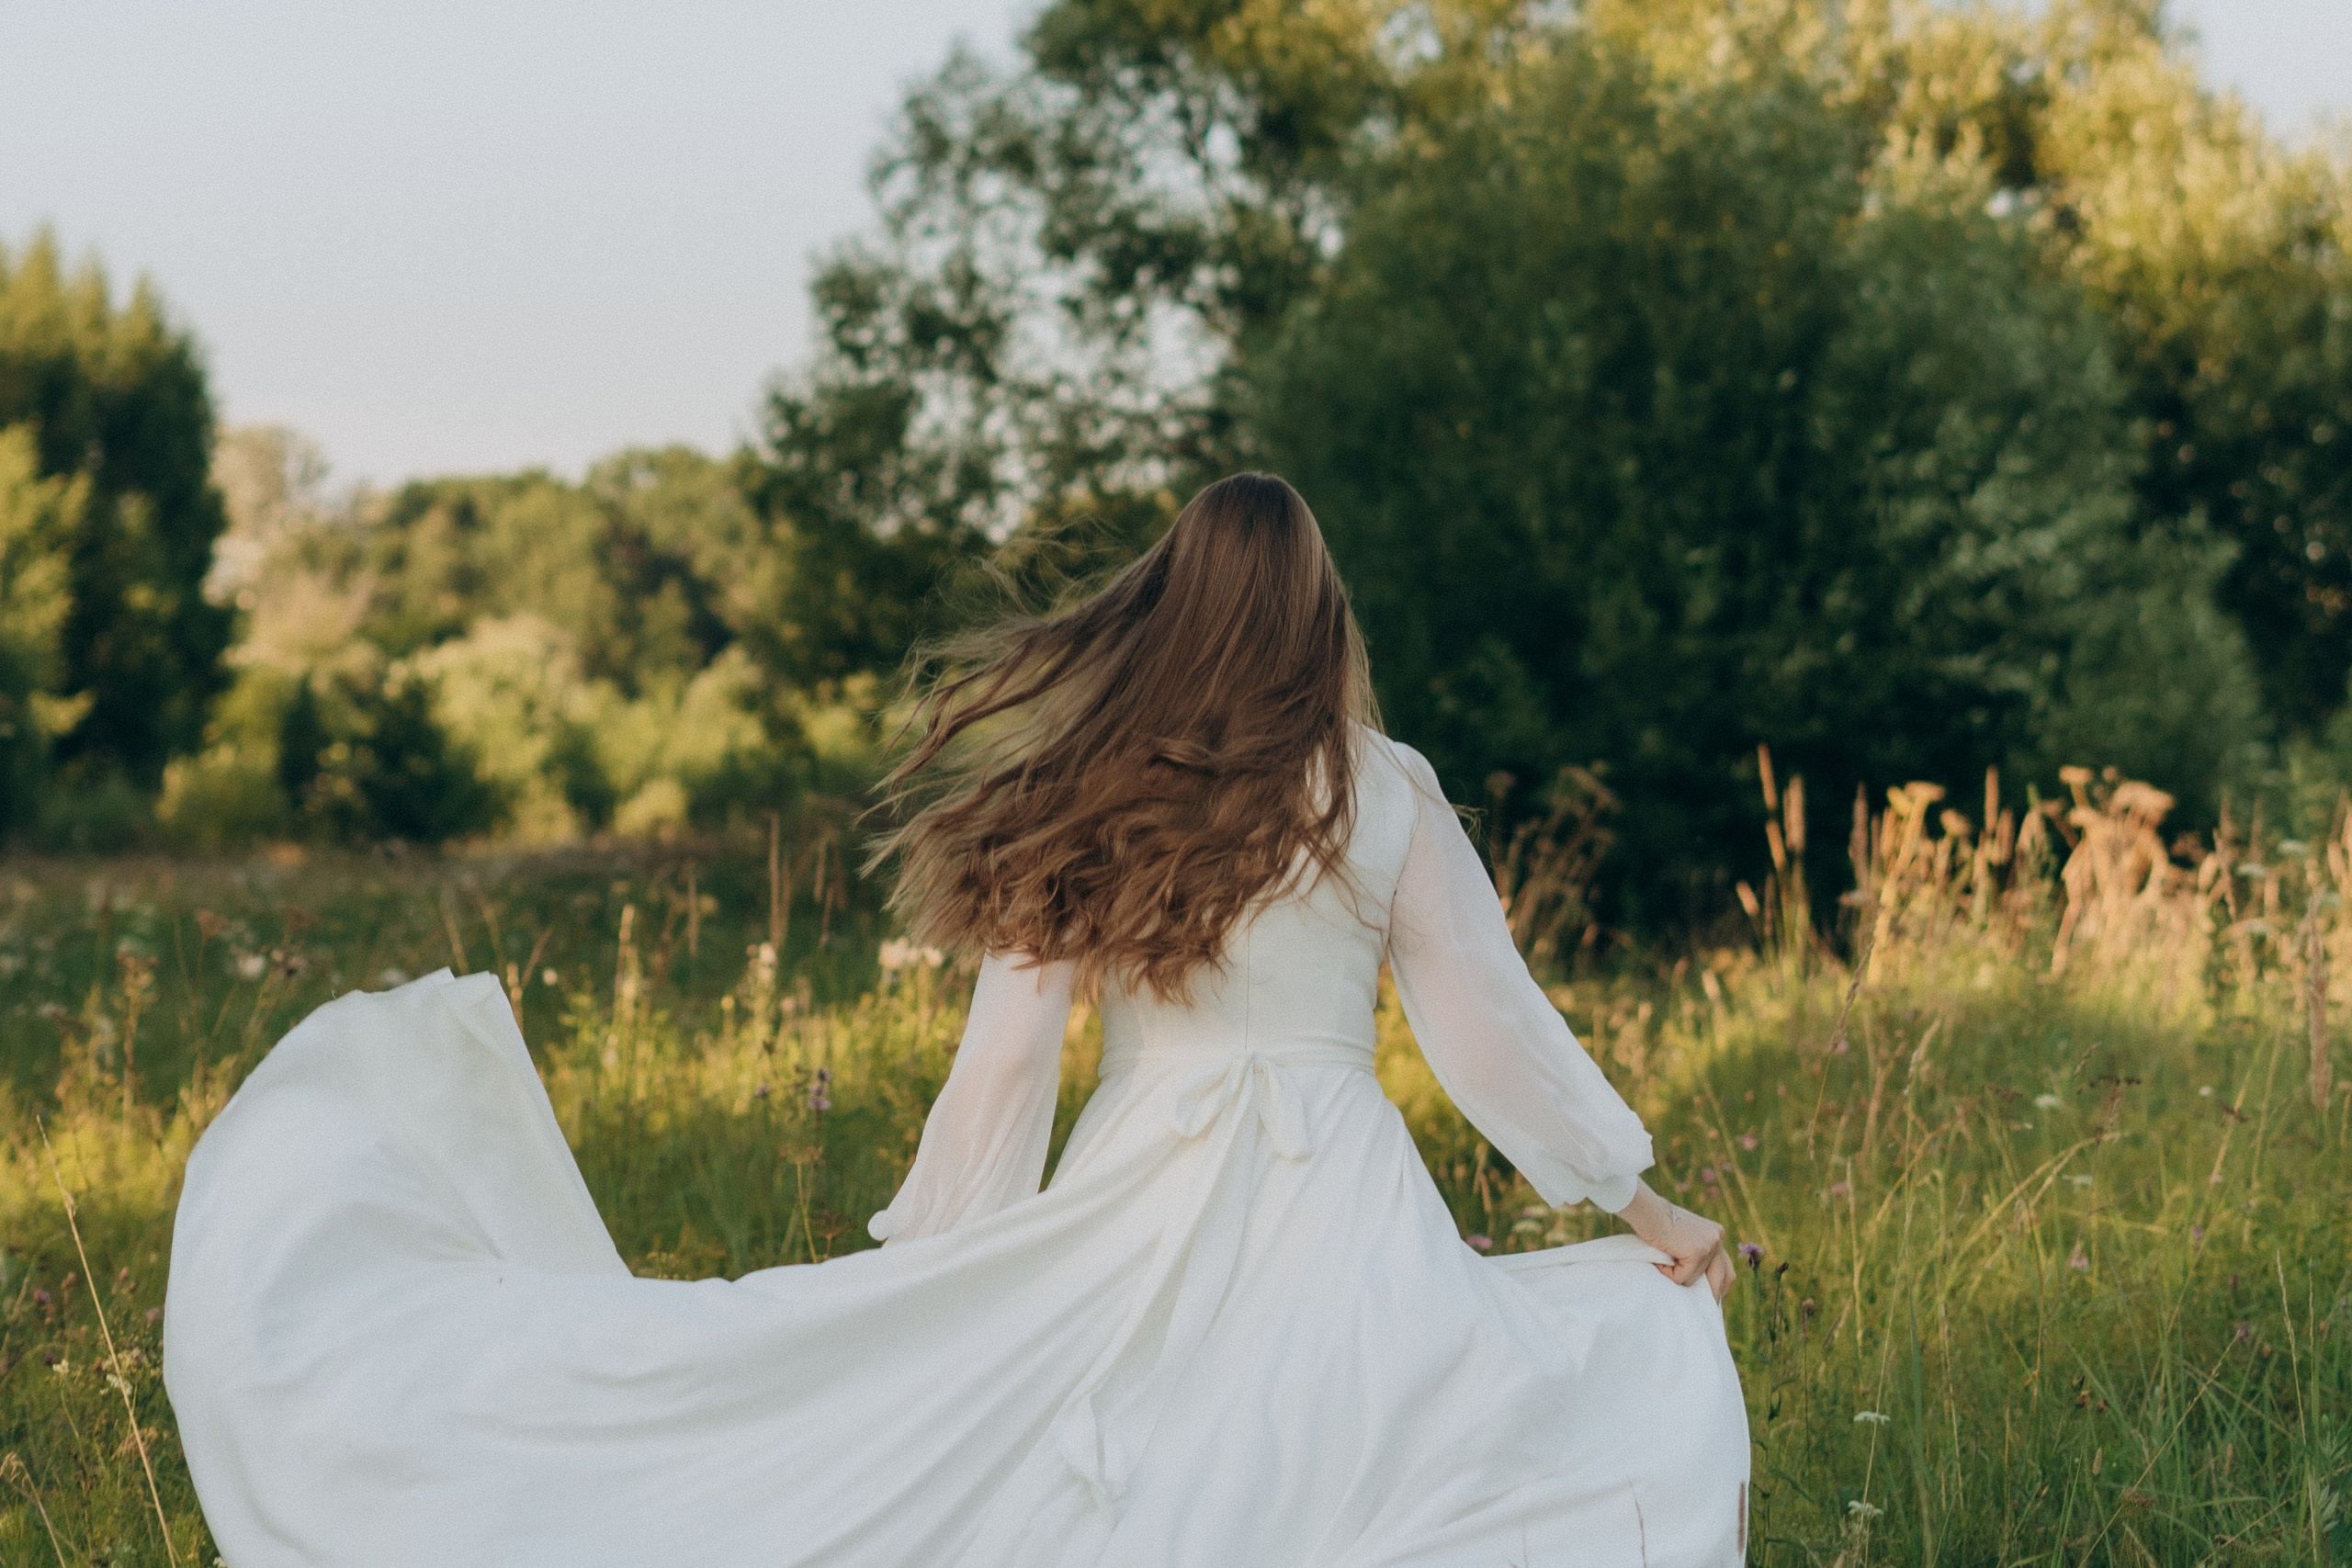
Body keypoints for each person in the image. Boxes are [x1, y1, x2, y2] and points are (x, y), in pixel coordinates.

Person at [164, 473, 1748, 1566]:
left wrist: (940, 1264)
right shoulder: (1385, 789)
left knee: (1130, 1446)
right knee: (1344, 1439)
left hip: (1144, 1172)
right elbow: (1488, 1032)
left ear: (1176, 608)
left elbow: (1008, 1062)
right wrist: (1638, 1197)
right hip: (1335, 1186)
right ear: (1320, 613)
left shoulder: (1103, 783)